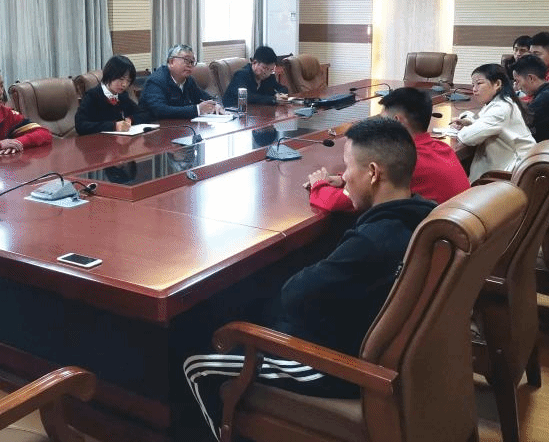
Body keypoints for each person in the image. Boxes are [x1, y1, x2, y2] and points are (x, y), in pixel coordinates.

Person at [183, 118, 438, 440]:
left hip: (337, 365)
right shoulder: (424, 216)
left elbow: (294, 297)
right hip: (375, 351)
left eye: (348, 167)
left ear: (373, 173)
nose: (344, 177)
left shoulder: (372, 242)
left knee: (196, 365)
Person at [305, 87, 470, 211]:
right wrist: (344, 179)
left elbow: (339, 202)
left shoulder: (406, 161)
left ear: (397, 121)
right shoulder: (442, 148)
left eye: (382, 120)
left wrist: (318, 184)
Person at [451, 64, 535, 182]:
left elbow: (467, 138)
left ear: (497, 84)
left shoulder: (501, 108)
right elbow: (487, 124)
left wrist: (464, 130)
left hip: (511, 174)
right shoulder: (502, 102)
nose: (474, 89)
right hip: (511, 168)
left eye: (479, 83)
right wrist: (470, 123)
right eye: (473, 85)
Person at [138, 44, 220, 120]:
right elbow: (159, 110)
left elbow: (205, 97)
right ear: (171, 62)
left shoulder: (189, 80)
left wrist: (215, 105)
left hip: (181, 126)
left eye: (192, 62)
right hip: (155, 127)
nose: (190, 65)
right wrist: (197, 109)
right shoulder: (156, 81)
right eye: (186, 60)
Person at [75, 55, 143, 135]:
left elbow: (143, 113)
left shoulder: (122, 96)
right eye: (121, 79)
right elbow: (80, 125)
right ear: (109, 75)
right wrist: (114, 126)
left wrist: (130, 119)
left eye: (128, 80)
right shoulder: (92, 96)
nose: (124, 84)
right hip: (98, 140)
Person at [221, 45, 289, 107]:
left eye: (271, 69)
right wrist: (272, 99)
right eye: (265, 68)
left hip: (257, 112)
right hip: (234, 112)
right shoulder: (241, 75)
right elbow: (249, 97)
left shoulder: (269, 77)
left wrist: (279, 95)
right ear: (255, 62)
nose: (267, 73)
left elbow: (283, 89)